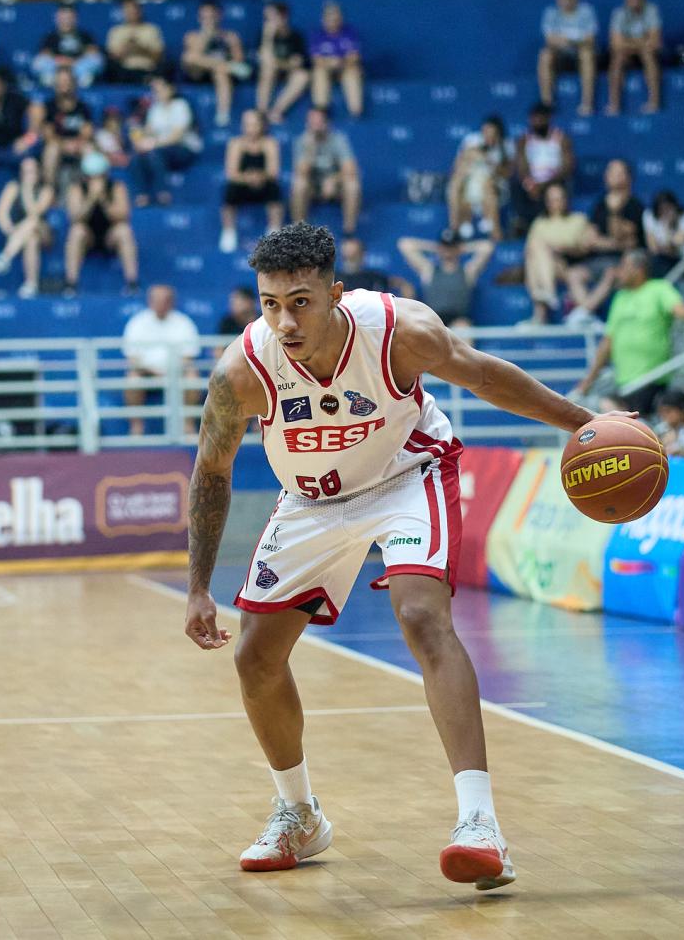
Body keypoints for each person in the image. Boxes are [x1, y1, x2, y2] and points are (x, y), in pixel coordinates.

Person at [185, 222, 626, 892]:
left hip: (406, 477)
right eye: (270, 304)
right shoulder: (242, 372)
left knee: (421, 617)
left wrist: (582, 422)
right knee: (254, 657)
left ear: (336, 293)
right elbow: (212, 472)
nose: (284, 320)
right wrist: (196, 587)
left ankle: (480, 827)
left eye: (300, 301)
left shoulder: (400, 332)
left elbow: (483, 376)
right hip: (309, 498)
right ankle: (299, 814)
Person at [573, 249, 684, 413]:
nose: (619, 272)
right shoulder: (620, 297)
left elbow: (679, 308)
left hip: (653, 379)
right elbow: (608, 342)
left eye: (624, 266)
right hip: (625, 381)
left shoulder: (659, 288)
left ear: (639, 269)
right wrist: (588, 380)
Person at [568, 158, 646, 320]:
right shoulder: (599, 204)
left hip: (624, 263)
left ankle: (583, 313)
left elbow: (626, 240)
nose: (610, 175)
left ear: (628, 178)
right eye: (609, 171)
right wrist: (613, 244)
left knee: (611, 274)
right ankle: (586, 313)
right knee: (574, 274)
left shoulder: (635, 205)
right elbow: (591, 240)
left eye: (617, 172)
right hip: (598, 260)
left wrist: (614, 211)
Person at [122, 284, 201, 436]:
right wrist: (155, 372)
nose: (159, 304)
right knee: (132, 379)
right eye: (155, 300)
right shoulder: (137, 323)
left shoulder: (184, 323)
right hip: (145, 372)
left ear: (171, 302)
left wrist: (171, 371)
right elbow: (132, 358)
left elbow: (189, 356)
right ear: (149, 301)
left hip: (178, 372)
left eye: (164, 300)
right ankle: (136, 427)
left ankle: (188, 424)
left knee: (192, 377)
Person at [64, 152, 139, 297]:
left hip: (109, 235)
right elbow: (75, 217)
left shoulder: (117, 187)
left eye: (99, 176)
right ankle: (71, 283)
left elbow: (123, 216)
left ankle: (132, 282)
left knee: (124, 231)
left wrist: (104, 200)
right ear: (85, 176)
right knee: (76, 231)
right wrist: (91, 198)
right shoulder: (77, 189)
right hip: (88, 236)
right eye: (91, 176)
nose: (96, 180)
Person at [523, 182, 591, 325]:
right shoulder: (540, 222)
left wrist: (558, 247)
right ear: (546, 202)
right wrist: (548, 249)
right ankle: (547, 294)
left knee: (539, 251)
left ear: (566, 200)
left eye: (559, 198)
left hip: (568, 265)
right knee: (534, 254)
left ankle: (541, 309)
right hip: (544, 263)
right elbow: (530, 249)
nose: (556, 203)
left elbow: (584, 248)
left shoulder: (578, 219)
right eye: (552, 199)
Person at [0, 156, 57, 298]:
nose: (29, 175)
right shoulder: (13, 186)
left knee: (32, 222)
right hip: (22, 235)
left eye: (32, 171)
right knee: (31, 239)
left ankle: (6, 256)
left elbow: (35, 212)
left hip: (44, 231)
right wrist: (10, 230)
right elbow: (1, 212)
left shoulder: (47, 189)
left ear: (39, 172)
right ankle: (31, 285)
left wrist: (27, 190)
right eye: (26, 172)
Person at [398, 231, 496, 328]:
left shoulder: (467, 272)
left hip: (458, 320)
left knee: (463, 327)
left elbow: (487, 246)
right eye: (445, 247)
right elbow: (405, 244)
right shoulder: (429, 271)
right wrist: (436, 248)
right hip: (433, 320)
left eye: (451, 247)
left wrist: (461, 249)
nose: (448, 251)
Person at [129, 76, 201, 208]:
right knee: (137, 156)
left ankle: (162, 192)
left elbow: (176, 137)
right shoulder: (155, 109)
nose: (158, 93)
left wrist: (152, 144)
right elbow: (148, 131)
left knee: (154, 153)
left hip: (183, 149)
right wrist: (139, 140)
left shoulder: (181, 106)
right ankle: (141, 194)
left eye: (161, 89)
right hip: (159, 149)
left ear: (171, 89)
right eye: (155, 90)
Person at [220, 109, 283, 253]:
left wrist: (260, 177)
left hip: (264, 184)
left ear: (262, 125)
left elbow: (273, 172)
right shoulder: (236, 143)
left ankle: (274, 231)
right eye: (247, 124)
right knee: (230, 189)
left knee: (274, 188)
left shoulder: (270, 143)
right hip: (242, 186)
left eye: (254, 124)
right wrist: (248, 178)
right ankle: (229, 231)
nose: (250, 128)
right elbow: (231, 173)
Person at [291, 108, 361, 235]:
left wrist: (332, 180)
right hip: (312, 186)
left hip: (335, 187)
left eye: (318, 122)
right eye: (311, 122)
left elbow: (350, 169)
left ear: (327, 123)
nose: (315, 126)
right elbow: (301, 172)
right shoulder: (302, 141)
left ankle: (349, 230)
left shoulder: (339, 140)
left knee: (352, 184)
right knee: (299, 184)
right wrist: (311, 148)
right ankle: (299, 229)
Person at [182, 0, 248, 128]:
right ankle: (222, 66)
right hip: (198, 73)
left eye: (212, 17)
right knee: (188, 57)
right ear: (199, 18)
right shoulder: (192, 36)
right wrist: (206, 35)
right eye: (204, 17)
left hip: (222, 74)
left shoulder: (230, 36)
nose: (209, 20)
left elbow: (239, 60)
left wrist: (228, 46)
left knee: (220, 71)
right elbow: (194, 55)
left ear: (219, 16)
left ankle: (223, 113)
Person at [511, 103, 574, 236]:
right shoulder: (524, 140)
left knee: (556, 189)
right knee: (515, 184)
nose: (537, 122)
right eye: (534, 119)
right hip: (531, 181)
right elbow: (521, 166)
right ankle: (524, 221)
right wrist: (529, 183)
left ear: (548, 119)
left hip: (553, 180)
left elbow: (567, 167)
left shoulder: (561, 139)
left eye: (540, 119)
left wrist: (544, 184)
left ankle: (541, 223)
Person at [538, 0, 597, 116]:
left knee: (587, 54)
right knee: (545, 55)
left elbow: (590, 39)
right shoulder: (551, 13)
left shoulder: (586, 11)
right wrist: (575, 40)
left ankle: (587, 104)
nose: (565, 0)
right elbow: (549, 40)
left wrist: (568, 41)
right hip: (560, 56)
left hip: (580, 54)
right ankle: (547, 104)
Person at [448, 116, 511, 242]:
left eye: (491, 133)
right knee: (456, 184)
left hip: (493, 186)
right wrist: (475, 154)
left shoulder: (505, 146)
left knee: (487, 184)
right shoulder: (472, 142)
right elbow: (457, 166)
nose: (487, 135)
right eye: (485, 131)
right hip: (469, 184)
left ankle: (493, 229)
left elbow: (507, 174)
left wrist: (491, 163)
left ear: (497, 134)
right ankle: (454, 229)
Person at [607, 0, 662, 115]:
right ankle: (614, 105)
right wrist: (641, 42)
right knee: (618, 57)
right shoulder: (619, 13)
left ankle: (654, 102)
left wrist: (629, 42)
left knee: (648, 54)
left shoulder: (651, 10)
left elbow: (655, 42)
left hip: (647, 53)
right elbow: (615, 43)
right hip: (627, 54)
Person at [39, 66, 94, 192]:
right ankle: (49, 190)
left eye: (66, 81)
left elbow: (87, 132)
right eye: (60, 81)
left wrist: (77, 143)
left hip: (78, 144)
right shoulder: (49, 106)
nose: (63, 85)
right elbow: (48, 134)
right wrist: (64, 144)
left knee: (89, 149)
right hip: (57, 145)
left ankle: (89, 190)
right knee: (51, 149)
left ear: (73, 83)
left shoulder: (83, 107)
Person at [256, 1, 309, 124]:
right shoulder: (264, 35)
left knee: (303, 76)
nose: (269, 22)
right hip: (269, 73)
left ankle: (276, 111)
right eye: (267, 18)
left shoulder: (295, 36)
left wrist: (278, 64)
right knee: (267, 69)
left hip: (288, 73)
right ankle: (261, 112)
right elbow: (265, 59)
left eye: (272, 17)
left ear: (284, 17)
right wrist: (268, 36)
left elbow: (296, 63)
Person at [308, 1, 363, 118]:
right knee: (318, 71)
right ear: (323, 19)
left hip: (345, 68)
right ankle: (321, 112)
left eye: (336, 15)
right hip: (325, 70)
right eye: (329, 16)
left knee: (353, 70)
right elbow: (315, 59)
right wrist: (330, 63)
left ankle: (356, 112)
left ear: (341, 18)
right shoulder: (317, 35)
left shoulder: (350, 33)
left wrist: (340, 62)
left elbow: (355, 56)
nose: (333, 19)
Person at [32, 4, 104, 89]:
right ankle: (52, 82)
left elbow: (92, 52)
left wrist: (73, 61)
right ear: (57, 19)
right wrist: (61, 61)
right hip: (57, 67)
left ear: (76, 19)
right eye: (63, 18)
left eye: (70, 18)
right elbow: (45, 54)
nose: (67, 21)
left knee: (96, 60)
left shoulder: (84, 35)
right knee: (40, 62)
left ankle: (81, 82)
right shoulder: (50, 36)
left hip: (78, 67)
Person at [106, 0, 165, 84]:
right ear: (123, 12)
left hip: (148, 68)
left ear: (140, 11)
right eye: (128, 10)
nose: (132, 13)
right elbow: (112, 56)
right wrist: (127, 48)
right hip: (124, 71)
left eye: (134, 10)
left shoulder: (151, 29)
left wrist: (141, 48)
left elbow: (158, 56)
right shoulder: (116, 31)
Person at [337, 237, 415, 300]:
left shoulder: (374, 277)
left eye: (356, 254)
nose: (349, 252)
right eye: (347, 256)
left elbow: (403, 284)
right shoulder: (334, 277)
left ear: (363, 254)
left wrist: (402, 307)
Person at [643, 189, 684, 277]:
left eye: (668, 208)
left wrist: (668, 226)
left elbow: (676, 244)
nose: (665, 212)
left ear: (675, 206)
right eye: (662, 209)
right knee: (655, 263)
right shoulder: (649, 215)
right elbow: (653, 248)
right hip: (661, 259)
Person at [215, 286, 258, 352]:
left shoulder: (262, 321)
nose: (232, 305)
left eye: (236, 300)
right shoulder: (227, 322)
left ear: (249, 302)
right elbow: (218, 350)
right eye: (231, 302)